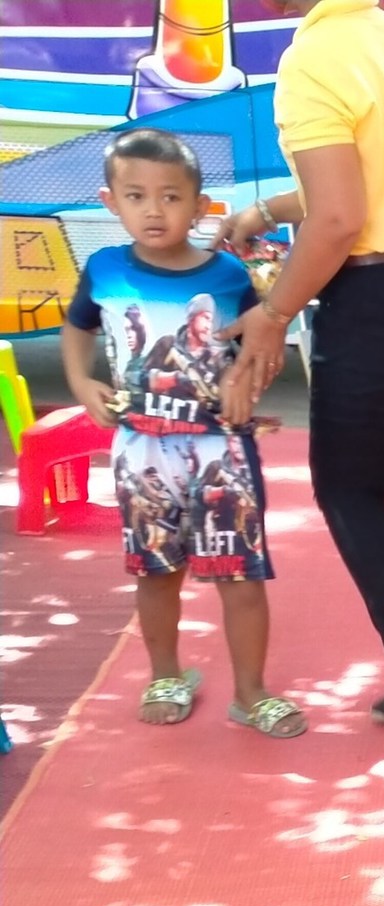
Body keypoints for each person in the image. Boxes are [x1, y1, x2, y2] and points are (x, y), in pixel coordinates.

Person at [216, 0, 384, 723]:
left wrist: (273, 315)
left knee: (347, 487)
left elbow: (340, 217)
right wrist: (270, 212)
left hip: (380, 300)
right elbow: (363, 183)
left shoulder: (312, 60)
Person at [61, 128, 305, 739]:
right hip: (139, 452)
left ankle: (251, 693)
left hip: (220, 453)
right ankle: (166, 674)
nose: (153, 209)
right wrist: (80, 382)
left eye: (171, 197)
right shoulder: (104, 268)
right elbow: (78, 327)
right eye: (137, 195)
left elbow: (259, 348)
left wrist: (246, 386)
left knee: (239, 574)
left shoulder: (227, 276)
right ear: (110, 201)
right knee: (156, 571)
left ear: (200, 208)